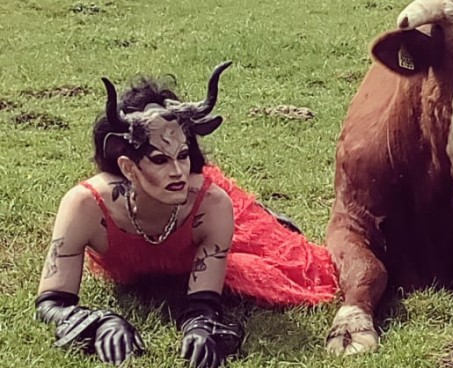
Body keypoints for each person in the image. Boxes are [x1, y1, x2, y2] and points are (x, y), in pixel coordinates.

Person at [34, 61, 338, 368]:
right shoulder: (85, 206)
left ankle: (269, 216)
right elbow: (51, 301)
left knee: (274, 248)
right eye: (159, 159)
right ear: (128, 167)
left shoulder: (210, 205)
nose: (178, 171)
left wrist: (202, 326)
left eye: (182, 156)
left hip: (201, 218)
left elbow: (203, 302)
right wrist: (98, 323)